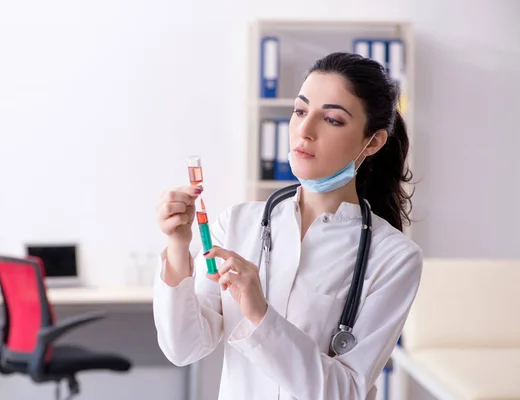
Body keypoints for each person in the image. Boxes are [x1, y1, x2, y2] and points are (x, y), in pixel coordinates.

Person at [153, 52, 423, 400]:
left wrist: (260, 314)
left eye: (332, 119)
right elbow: (184, 348)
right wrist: (178, 246)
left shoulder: (394, 257)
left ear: (372, 142)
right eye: (300, 111)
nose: (305, 131)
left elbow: (347, 391)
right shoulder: (238, 224)